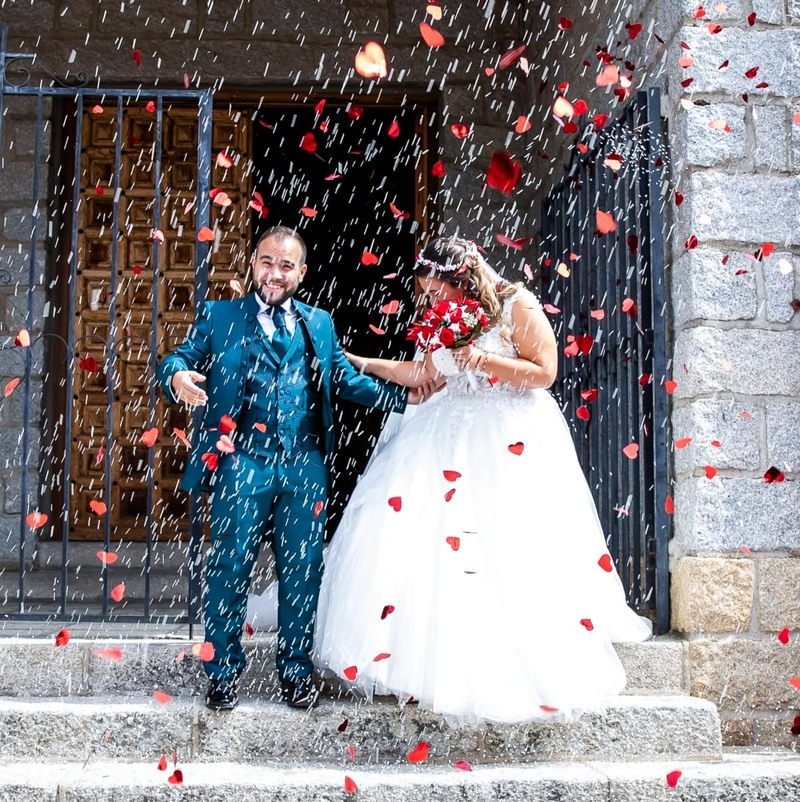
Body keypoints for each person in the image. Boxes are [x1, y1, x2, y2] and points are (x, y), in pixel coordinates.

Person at [313, 235, 652, 724]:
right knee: (420, 538)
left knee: (500, 542)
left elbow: (546, 371)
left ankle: (505, 655)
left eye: (437, 292)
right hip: (443, 433)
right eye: (427, 296)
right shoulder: (444, 318)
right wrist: (360, 361)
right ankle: (414, 655)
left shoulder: (517, 304)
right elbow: (423, 374)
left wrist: (485, 360)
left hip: (506, 434)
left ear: (463, 277)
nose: (432, 302)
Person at [158, 225, 434, 712]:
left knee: (303, 571)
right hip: (242, 459)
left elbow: (345, 381)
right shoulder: (221, 316)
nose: (274, 273)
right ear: (252, 264)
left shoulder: (319, 323)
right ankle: (222, 674)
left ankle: (295, 672)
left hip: (304, 465)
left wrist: (410, 399)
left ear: (301, 273)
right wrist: (177, 375)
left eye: (286, 265)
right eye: (267, 262)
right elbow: (180, 356)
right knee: (229, 567)